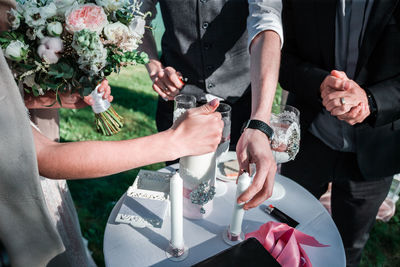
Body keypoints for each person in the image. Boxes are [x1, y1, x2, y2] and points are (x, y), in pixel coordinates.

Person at [274, 0, 400, 266]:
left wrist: (372, 100)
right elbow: (281, 56)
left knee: (346, 250)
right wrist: (319, 83)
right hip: (310, 138)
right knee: (281, 232)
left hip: (376, 150)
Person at [139, 0, 283, 209]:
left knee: (237, 195)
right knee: (182, 197)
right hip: (178, 103)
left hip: (242, 106)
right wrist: (154, 66)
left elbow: (267, 20)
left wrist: (259, 122)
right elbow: (135, 16)